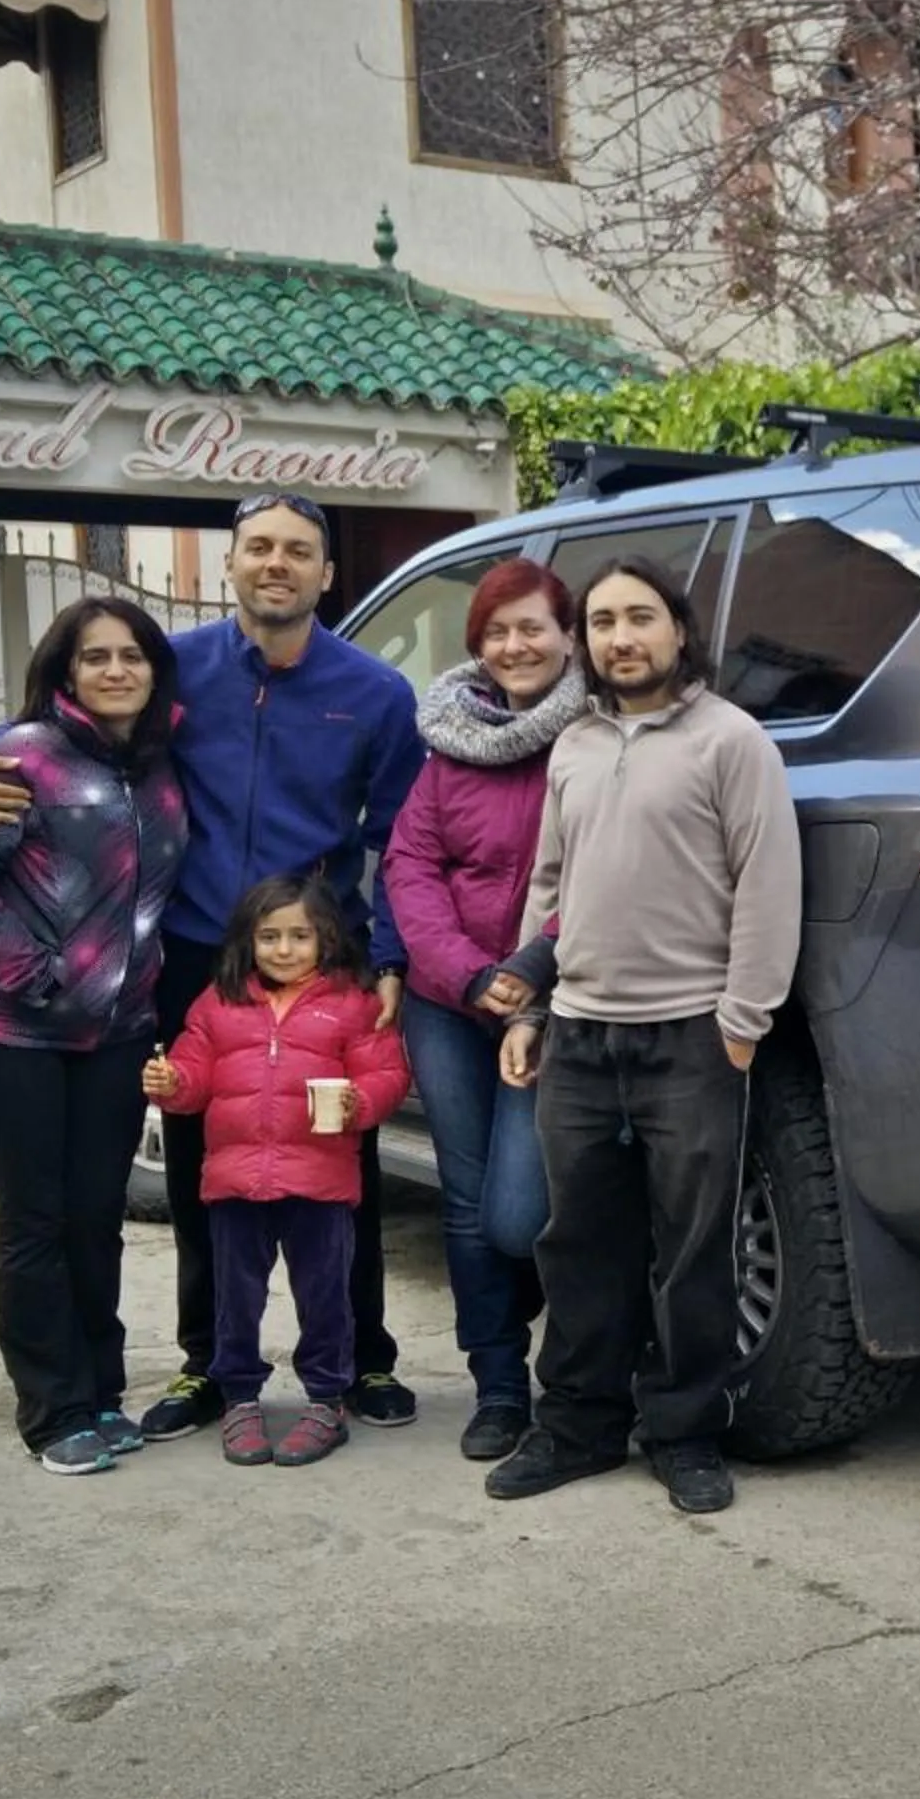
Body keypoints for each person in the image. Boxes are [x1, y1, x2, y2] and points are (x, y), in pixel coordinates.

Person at [0, 493, 428, 1440]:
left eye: (298, 551)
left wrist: (391, 956)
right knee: (210, 1168)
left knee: (342, 1162)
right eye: (257, 549)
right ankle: (210, 1365)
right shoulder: (174, 670)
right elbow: (54, 728)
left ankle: (362, 1356)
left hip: (322, 959)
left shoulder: (374, 693)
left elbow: (399, 837)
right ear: (233, 564)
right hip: (196, 958)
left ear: (327, 574)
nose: (275, 564)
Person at [482, 555, 801, 1516]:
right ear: (586, 642)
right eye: (605, 622)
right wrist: (534, 1009)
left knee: (692, 1249)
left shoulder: (730, 741)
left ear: (678, 629)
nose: (623, 638)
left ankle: (686, 1433)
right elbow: (551, 888)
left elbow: (768, 886)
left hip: (693, 1038)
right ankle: (576, 1427)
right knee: (576, 1241)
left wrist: (740, 1025)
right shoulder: (574, 745)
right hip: (579, 1036)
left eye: (642, 618)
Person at [0, 597, 189, 1477]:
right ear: (65, 672)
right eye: (95, 657)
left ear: (155, 670)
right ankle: (52, 1413)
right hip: (5, 1038)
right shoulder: (24, 759)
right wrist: (35, 976)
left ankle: (101, 1393)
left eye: (132, 656)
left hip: (113, 1039)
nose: (116, 671)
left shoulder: (158, 766)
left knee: (94, 1223)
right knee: (34, 1223)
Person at [381, 559, 588, 1464]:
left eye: (532, 627)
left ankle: (575, 1365)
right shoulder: (446, 747)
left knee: (518, 1210)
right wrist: (470, 975)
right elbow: (409, 871)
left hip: (548, 1000)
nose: (515, 645)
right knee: (465, 1207)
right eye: (497, 632)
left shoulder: (594, 740)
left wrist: (528, 977)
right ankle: (500, 1388)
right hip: (446, 1002)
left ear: (568, 636)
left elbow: (602, 868)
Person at [144, 876, 411, 1467]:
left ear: (328, 940)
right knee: (234, 1299)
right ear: (247, 941)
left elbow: (388, 1074)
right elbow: (194, 1076)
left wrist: (359, 1104)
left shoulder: (355, 1002)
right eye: (269, 937)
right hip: (236, 1183)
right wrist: (173, 1084)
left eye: (299, 936)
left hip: (320, 1182)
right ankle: (239, 1397)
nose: (283, 950)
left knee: (326, 1297)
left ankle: (325, 1399)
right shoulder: (218, 1002)